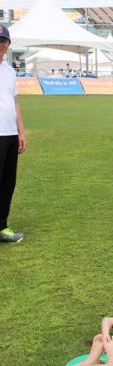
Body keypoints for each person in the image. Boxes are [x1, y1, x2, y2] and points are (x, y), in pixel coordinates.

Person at [0, 26, 27, 243]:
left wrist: (21, 131)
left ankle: (2, 226)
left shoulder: (9, 71)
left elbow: (15, 102)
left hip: (9, 133)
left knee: (8, 182)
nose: (0, 44)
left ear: (8, 44)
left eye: (3, 40)